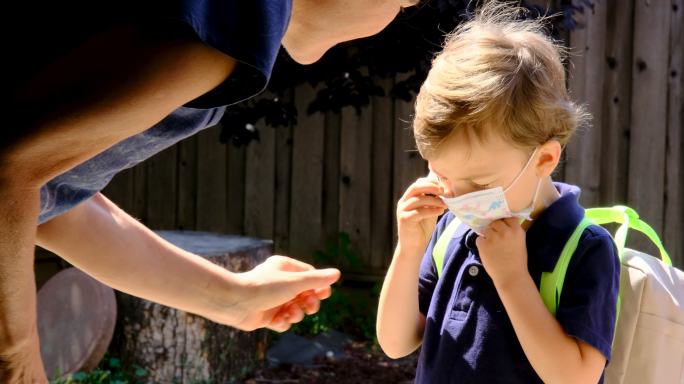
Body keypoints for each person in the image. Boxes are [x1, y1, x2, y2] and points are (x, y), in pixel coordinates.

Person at [0, 0, 419, 382]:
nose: (389, 22)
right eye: (402, 4)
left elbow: (49, 198)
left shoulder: (226, 29)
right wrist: (16, 359)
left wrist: (232, 299)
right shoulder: (240, 18)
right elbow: (9, 172)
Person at [376, 2, 620, 383]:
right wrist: (408, 250)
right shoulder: (453, 230)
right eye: (442, 176)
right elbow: (395, 342)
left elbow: (575, 377)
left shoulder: (584, 247)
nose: (457, 197)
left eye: (480, 184)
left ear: (545, 159)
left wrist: (512, 279)